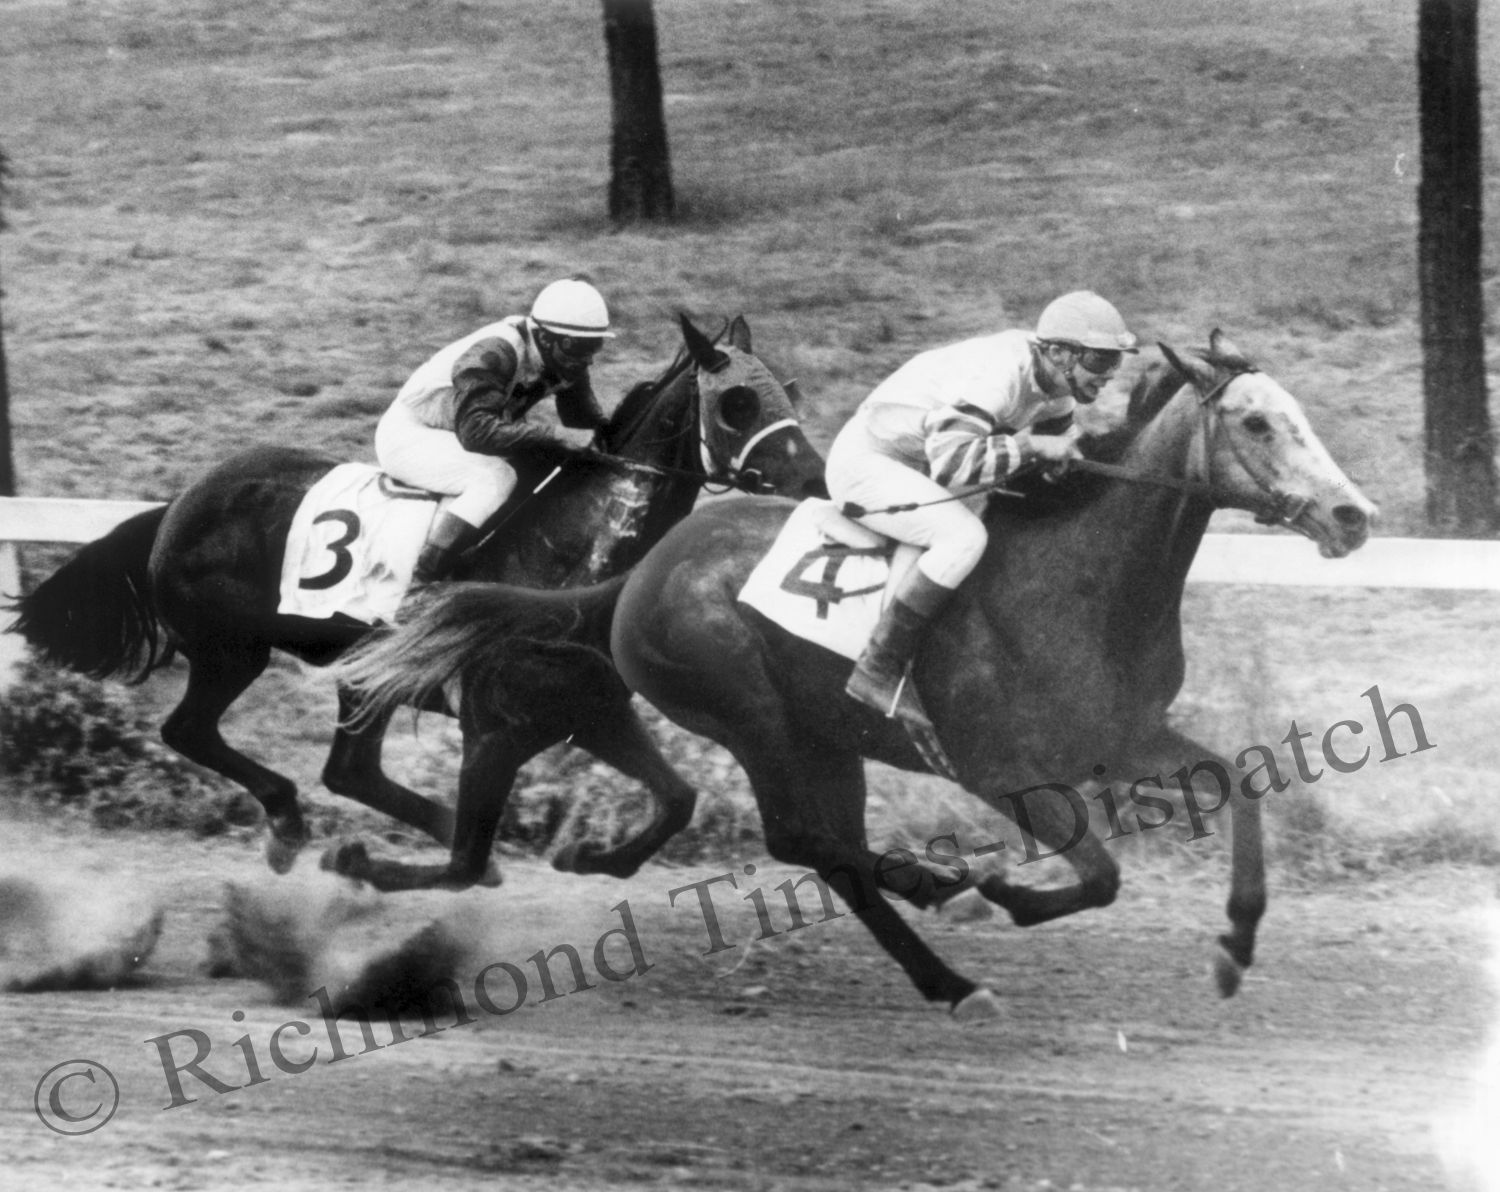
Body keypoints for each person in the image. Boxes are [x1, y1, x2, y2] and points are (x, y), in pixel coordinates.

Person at [825, 290, 1138, 729]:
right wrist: (1029, 445)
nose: (1109, 375)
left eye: (1115, 363)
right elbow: (953, 465)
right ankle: (877, 668)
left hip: (920, 466)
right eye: (1101, 361)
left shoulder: (1058, 394)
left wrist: (1056, 463)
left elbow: (1046, 468)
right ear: (1058, 353)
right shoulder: (997, 376)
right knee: (963, 537)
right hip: (870, 464)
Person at [376, 276, 615, 584]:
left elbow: (584, 421)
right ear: (543, 337)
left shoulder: (564, 358)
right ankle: (423, 581)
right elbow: (476, 433)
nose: (587, 360)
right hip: (411, 435)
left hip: (454, 434)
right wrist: (554, 435)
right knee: (495, 478)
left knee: (548, 462)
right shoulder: (496, 352)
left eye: (593, 348)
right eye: (577, 348)